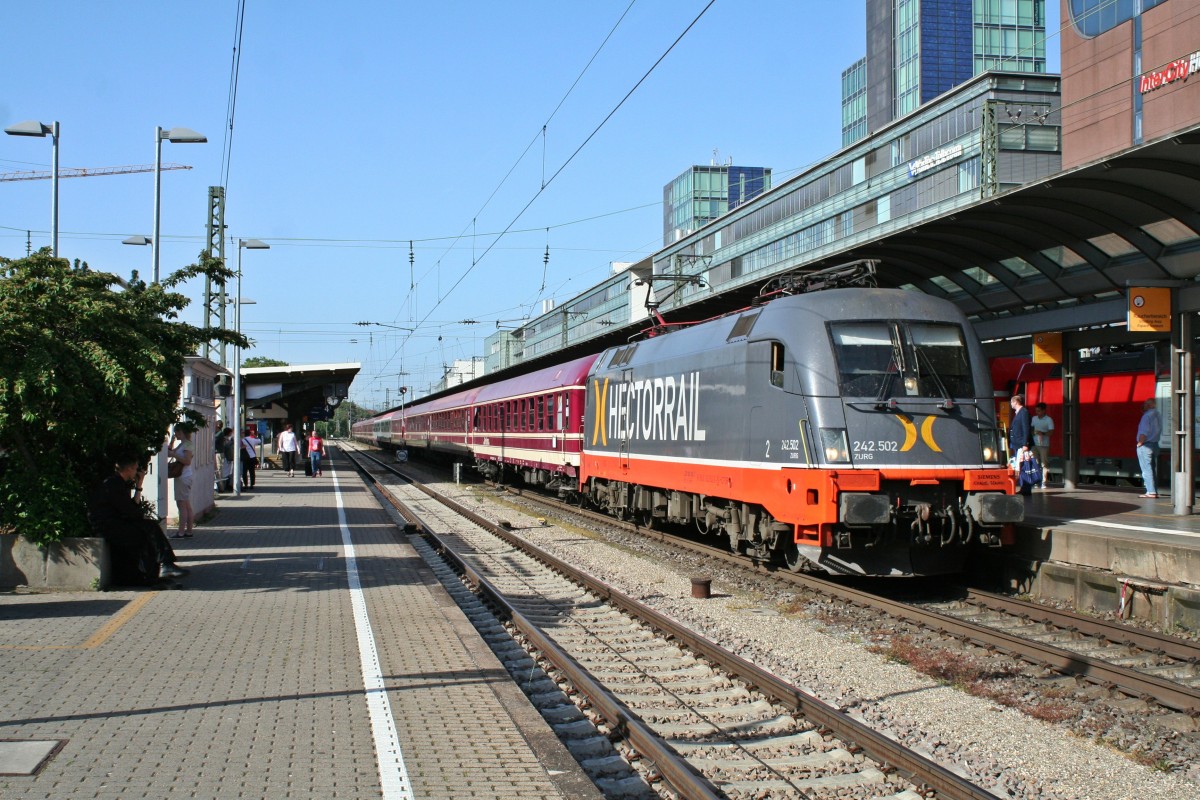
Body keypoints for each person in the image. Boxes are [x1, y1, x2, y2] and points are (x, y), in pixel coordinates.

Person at [87, 455, 188, 585]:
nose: (136, 472)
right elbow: (128, 511)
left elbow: (132, 506)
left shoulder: (119, 483)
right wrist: (141, 517)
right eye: (135, 469)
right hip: (108, 528)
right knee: (149, 530)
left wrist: (139, 485)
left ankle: (158, 572)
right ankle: (163, 566)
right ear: (128, 469)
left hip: (115, 524)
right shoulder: (113, 484)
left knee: (149, 532)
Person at [169, 426, 195, 538]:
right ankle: (189, 531)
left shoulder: (187, 445)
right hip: (184, 476)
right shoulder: (183, 444)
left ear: (182, 432)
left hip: (183, 476)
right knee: (186, 504)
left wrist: (175, 455)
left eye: (177, 432)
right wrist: (171, 442)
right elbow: (170, 452)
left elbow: (187, 461)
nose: (176, 434)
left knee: (182, 505)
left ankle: (181, 532)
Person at [1136, 397, 1162, 498]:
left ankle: (1151, 491)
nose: (1144, 405)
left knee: (1146, 469)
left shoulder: (1146, 416)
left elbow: (1144, 431)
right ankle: (1154, 490)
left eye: (1147, 404)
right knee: (1152, 468)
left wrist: (1140, 443)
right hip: (1155, 444)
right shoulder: (1158, 415)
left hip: (1146, 445)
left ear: (1152, 405)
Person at [1009, 394, 1034, 495]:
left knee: (1024, 465)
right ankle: (1024, 486)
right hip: (1017, 444)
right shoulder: (1018, 413)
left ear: (1015, 402)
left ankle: (1026, 488)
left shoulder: (1023, 412)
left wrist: (1025, 443)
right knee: (1020, 465)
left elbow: (1025, 428)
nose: (1011, 404)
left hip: (1021, 444)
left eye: (1011, 402)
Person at [1030, 402, 1054, 489]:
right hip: (1034, 444)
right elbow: (1032, 429)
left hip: (1044, 444)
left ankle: (1044, 482)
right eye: (1036, 411)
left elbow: (1051, 432)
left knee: (1044, 463)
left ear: (1044, 411)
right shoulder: (1034, 418)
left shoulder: (1049, 420)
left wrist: (1042, 433)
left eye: (1039, 411)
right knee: (1035, 462)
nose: (1037, 413)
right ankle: (1036, 481)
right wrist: (1033, 433)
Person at [214, 426, 234, 493]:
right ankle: (222, 487)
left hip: (221, 455)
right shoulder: (223, 437)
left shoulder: (220, 434)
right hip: (223, 456)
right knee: (221, 470)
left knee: (221, 470)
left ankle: (222, 487)